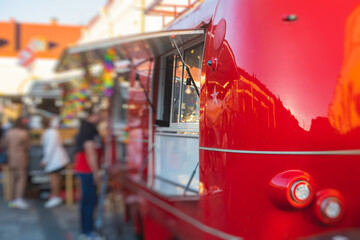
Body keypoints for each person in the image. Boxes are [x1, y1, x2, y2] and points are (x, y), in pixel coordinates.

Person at [74, 109, 102, 239]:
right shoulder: (89, 129)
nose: (101, 116)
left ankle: (86, 230)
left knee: (86, 201)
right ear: (93, 115)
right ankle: (87, 231)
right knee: (89, 201)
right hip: (87, 170)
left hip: (84, 169)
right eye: (99, 113)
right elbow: (90, 152)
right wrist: (96, 172)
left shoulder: (86, 128)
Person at [41, 117, 70, 208]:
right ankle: (56, 196)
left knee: (54, 179)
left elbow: (50, 148)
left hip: (55, 160)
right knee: (56, 178)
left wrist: (45, 160)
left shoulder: (51, 132)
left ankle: (55, 197)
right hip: (57, 160)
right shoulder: (52, 131)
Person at [3, 118, 30, 209]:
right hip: (21, 157)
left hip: (10, 158)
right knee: (21, 178)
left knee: (11, 178)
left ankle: (11, 199)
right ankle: (19, 199)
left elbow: (4, 145)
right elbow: (27, 146)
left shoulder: (8, 133)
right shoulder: (24, 133)